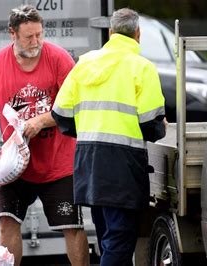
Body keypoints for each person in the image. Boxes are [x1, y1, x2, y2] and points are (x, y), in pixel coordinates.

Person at [0, 5, 89, 266]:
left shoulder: (59, 59)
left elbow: (77, 104)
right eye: (29, 37)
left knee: (72, 227)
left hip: (59, 165)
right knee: (6, 223)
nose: (36, 42)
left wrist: (42, 120)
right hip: (13, 166)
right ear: (12, 34)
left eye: (39, 35)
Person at [51, 8, 166, 265]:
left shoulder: (85, 63)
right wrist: (161, 128)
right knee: (119, 241)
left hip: (88, 164)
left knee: (107, 238)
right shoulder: (143, 68)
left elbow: (60, 114)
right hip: (123, 168)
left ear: (111, 32)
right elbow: (151, 125)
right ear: (138, 34)